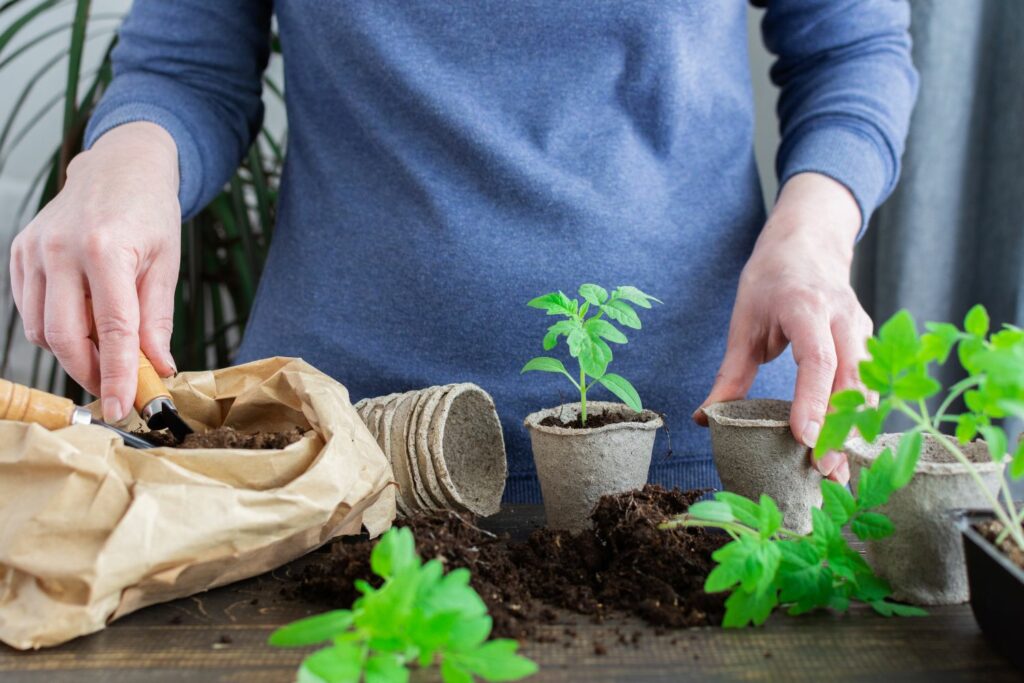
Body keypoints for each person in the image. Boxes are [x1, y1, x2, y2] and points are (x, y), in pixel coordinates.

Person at [10, 1, 917, 499]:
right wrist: (124, 157)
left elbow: (855, 45)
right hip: (332, 464)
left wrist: (813, 233)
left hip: (698, 455)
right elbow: (186, 65)